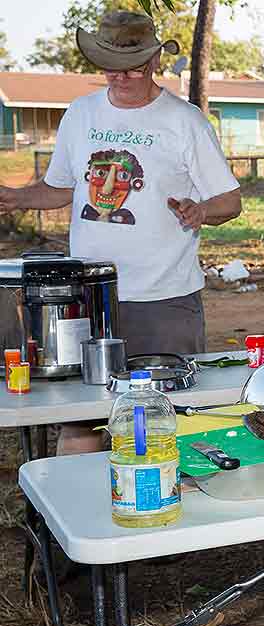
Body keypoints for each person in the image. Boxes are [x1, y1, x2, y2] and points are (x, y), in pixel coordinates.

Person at [0, 11, 242, 455]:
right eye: (110, 67)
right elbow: (62, 189)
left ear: (154, 62)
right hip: (88, 299)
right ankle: (77, 500)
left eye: (132, 67)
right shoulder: (81, 113)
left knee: (169, 425)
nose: (120, 77)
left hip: (163, 300)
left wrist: (201, 210)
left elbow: (230, 200)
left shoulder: (184, 120)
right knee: (81, 422)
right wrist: (17, 198)